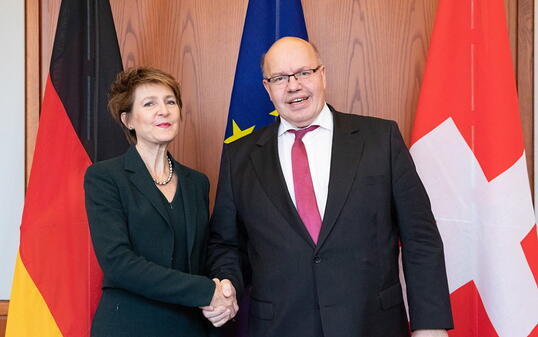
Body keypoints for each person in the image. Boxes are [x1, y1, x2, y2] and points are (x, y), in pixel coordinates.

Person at [204, 37, 453, 337]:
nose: (293, 86)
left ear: (323, 74)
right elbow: (226, 244)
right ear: (267, 88)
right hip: (280, 326)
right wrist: (226, 283)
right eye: (280, 78)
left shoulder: (380, 139)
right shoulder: (239, 156)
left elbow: (420, 237)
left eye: (304, 73)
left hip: (371, 324)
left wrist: (430, 324)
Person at [84, 67, 237, 337]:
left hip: (189, 327)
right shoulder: (104, 177)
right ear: (128, 120)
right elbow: (118, 263)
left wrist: (226, 288)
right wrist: (206, 291)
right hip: (128, 327)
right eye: (149, 103)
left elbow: (206, 255)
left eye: (170, 102)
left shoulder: (197, 182)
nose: (163, 110)